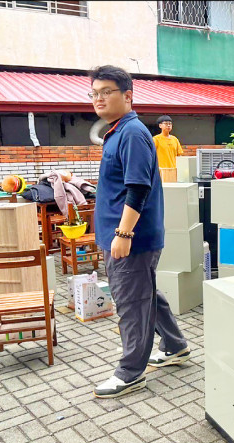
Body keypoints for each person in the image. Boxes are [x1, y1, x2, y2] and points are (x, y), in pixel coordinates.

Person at [88, 65, 190, 399]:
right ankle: (175, 345)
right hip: (122, 235)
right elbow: (120, 184)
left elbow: (137, 188)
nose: (99, 98)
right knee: (145, 293)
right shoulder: (118, 131)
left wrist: (123, 234)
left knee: (132, 302)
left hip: (130, 239)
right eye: (94, 93)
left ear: (127, 95)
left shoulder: (132, 133)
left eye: (107, 92)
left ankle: (131, 372)